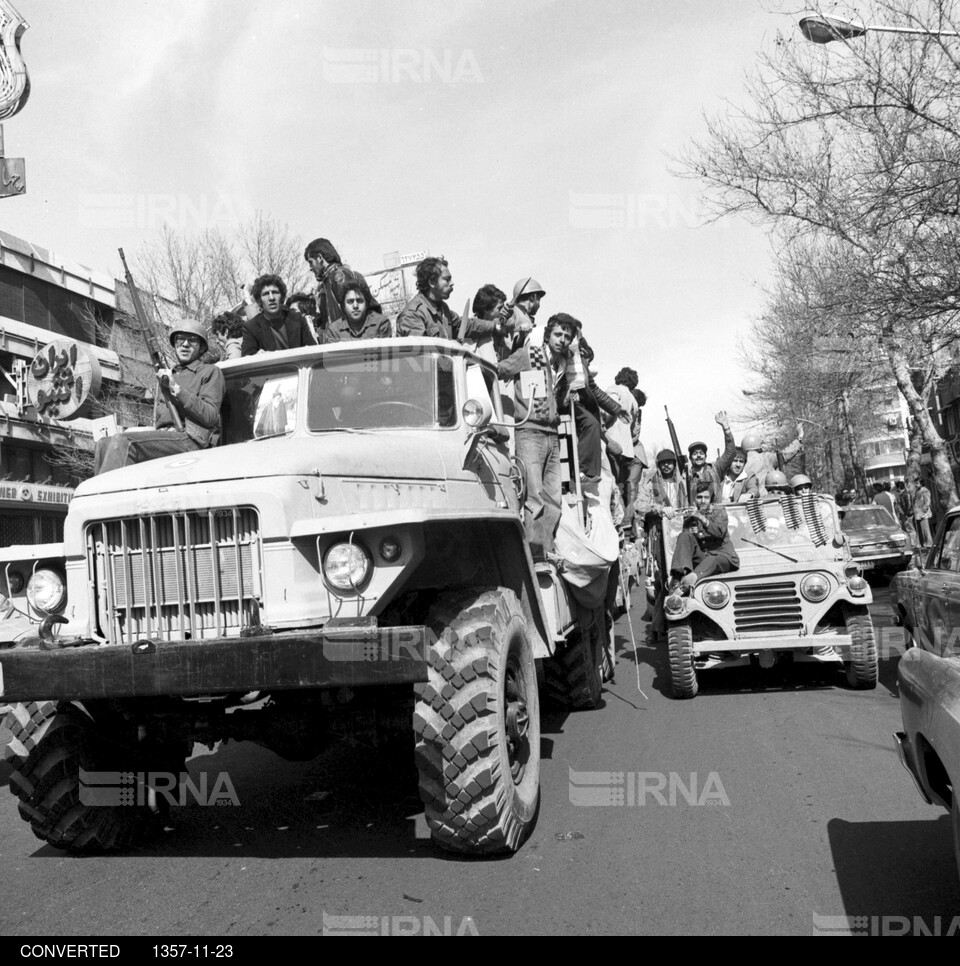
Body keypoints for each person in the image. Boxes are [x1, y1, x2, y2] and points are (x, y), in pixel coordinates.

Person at [93, 320, 225, 474]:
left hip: (191, 439)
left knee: (123, 441)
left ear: (201, 347)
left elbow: (210, 416)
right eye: (180, 339)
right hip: (165, 439)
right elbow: (159, 422)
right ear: (174, 344)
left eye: (192, 340)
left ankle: (107, 497)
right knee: (103, 444)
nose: (185, 344)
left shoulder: (210, 372)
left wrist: (176, 388)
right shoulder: (166, 376)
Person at [497, 314, 576, 559]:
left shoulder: (564, 364)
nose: (562, 340)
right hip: (529, 432)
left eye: (567, 337)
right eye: (558, 334)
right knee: (534, 498)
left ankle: (547, 551)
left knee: (553, 499)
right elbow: (499, 370)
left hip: (552, 434)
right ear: (548, 334)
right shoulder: (528, 354)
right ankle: (534, 555)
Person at [396, 256, 496, 342]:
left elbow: (464, 325)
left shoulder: (442, 308)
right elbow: (420, 357)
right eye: (447, 279)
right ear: (431, 282)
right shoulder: (413, 314)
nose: (452, 283)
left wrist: (494, 326)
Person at [667, 481, 740, 593]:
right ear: (694, 499)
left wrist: (700, 517)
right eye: (699, 497)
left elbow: (719, 532)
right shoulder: (690, 514)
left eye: (706, 497)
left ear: (711, 498)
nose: (702, 501)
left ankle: (690, 581)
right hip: (703, 558)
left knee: (714, 559)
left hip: (723, 556)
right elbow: (687, 544)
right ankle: (677, 577)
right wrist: (692, 532)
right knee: (684, 535)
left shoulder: (719, 511)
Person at [304, 238, 380, 337]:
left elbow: (354, 317)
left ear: (319, 258)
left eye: (311, 262)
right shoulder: (325, 286)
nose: (310, 268)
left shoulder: (339, 276)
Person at [241, 274, 317, 355]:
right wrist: (257, 356)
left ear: (282, 296)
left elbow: (313, 350)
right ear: (259, 299)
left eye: (275, 292)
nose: (271, 298)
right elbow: (247, 358)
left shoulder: (297, 319)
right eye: (266, 294)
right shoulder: (251, 327)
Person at [686, 411, 737, 503]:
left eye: (701, 453)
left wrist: (726, 429)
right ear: (690, 458)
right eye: (695, 454)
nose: (698, 456)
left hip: (716, 514)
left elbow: (731, 452)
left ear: (706, 456)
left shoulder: (715, 468)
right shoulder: (686, 476)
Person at [323, 284, 392, 342]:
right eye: (350, 302)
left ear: (367, 304)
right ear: (343, 306)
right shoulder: (334, 331)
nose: (355, 306)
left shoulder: (381, 323)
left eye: (359, 301)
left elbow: (385, 355)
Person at [636, 449, 688, 526]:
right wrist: (661, 509)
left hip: (682, 525)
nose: (666, 465)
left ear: (674, 464)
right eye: (663, 462)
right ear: (658, 465)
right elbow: (639, 505)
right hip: (658, 526)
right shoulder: (650, 485)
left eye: (669, 462)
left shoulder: (683, 483)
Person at [914, 480, 933, 548]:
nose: (915, 485)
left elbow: (928, 501)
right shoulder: (917, 491)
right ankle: (922, 544)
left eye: (917, 483)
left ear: (921, 483)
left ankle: (928, 544)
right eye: (915, 483)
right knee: (920, 529)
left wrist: (923, 511)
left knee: (925, 529)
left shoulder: (925, 491)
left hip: (923, 514)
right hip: (918, 513)